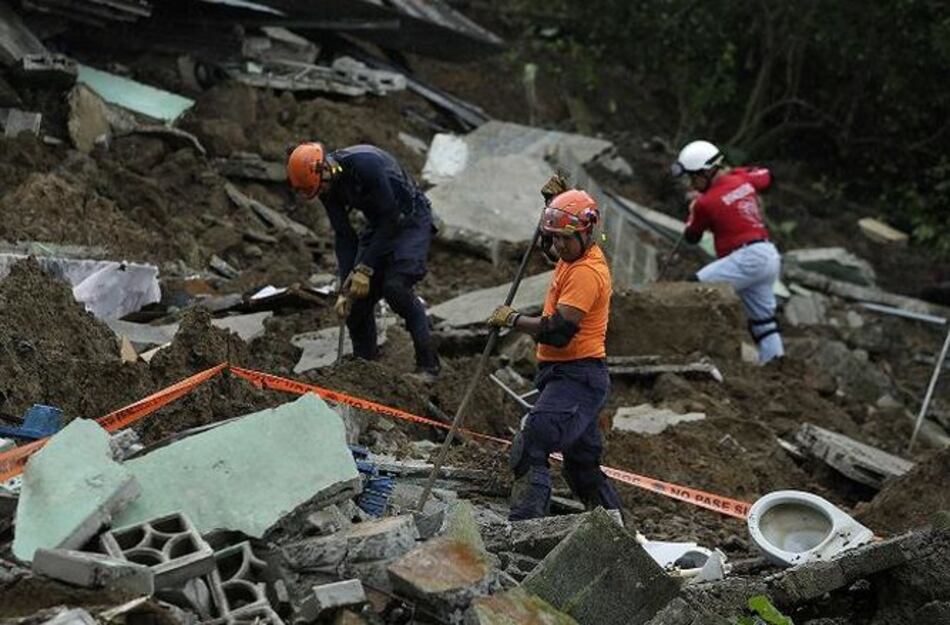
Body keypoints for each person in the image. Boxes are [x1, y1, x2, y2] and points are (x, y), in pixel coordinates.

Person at [487, 179, 623, 521]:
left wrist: (514, 319)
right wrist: (553, 202)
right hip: (563, 374)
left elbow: (559, 332)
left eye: (564, 238)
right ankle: (620, 531)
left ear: (585, 234)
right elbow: (549, 241)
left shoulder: (587, 273)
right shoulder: (571, 253)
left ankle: (524, 531)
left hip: (577, 377)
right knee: (582, 467)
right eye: (555, 236)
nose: (557, 246)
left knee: (531, 445)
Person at [287, 142, 440, 378]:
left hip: (409, 218)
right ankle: (364, 371)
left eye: (322, 188)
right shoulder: (326, 186)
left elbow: (392, 217)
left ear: (324, 169)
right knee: (355, 304)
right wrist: (346, 286)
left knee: (396, 288)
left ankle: (429, 366)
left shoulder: (365, 165)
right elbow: (344, 235)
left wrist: (365, 269)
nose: (324, 194)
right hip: (380, 223)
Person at [672, 140, 784, 364]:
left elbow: (692, 237)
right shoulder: (742, 178)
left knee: (694, 289)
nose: (692, 184)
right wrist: (738, 174)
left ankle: (680, 348)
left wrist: (692, 209)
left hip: (747, 258)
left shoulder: (705, 202)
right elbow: (769, 177)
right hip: (768, 255)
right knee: (764, 323)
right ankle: (777, 365)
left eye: (694, 177)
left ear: (706, 172)